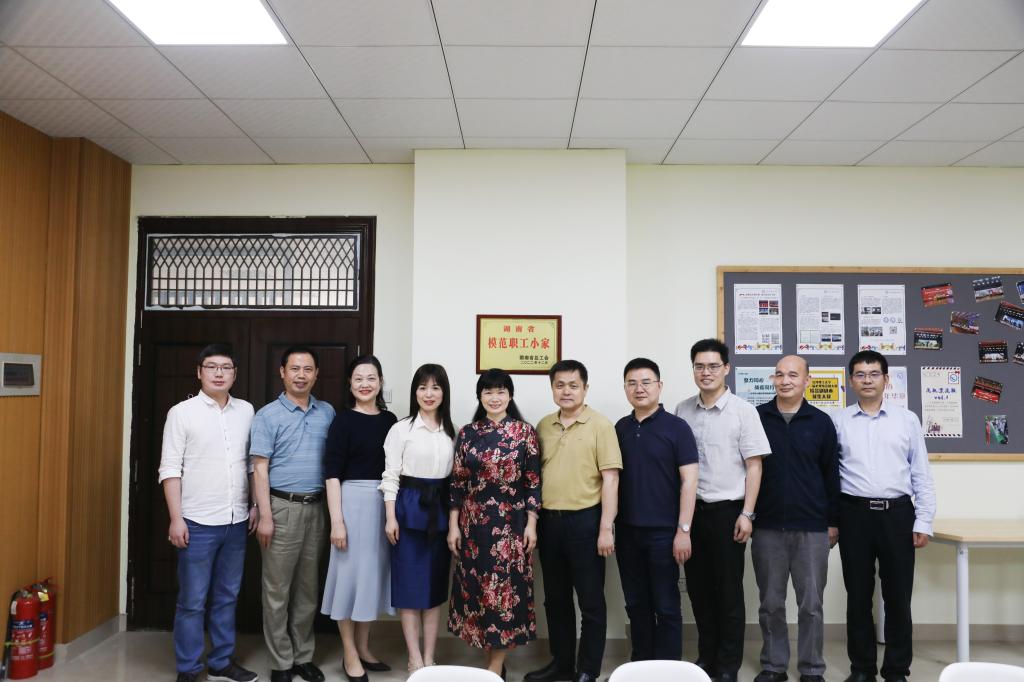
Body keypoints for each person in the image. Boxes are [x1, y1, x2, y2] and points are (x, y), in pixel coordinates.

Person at [833, 351, 936, 682]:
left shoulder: (907, 420)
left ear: (886, 380)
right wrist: (831, 520)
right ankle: (862, 669)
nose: (867, 380)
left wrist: (924, 520)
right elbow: (829, 475)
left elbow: (921, 474)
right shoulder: (838, 421)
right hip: (854, 515)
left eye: (874, 374)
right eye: (860, 374)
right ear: (851, 380)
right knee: (858, 597)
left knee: (898, 598)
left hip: (898, 515)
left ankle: (896, 670)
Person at [159, 344, 258, 682]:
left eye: (226, 367)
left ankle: (221, 662)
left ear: (235, 373)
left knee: (227, 597)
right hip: (196, 522)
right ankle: (188, 668)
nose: (219, 373)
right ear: (199, 371)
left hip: (236, 520)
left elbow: (251, 464)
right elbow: (170, 469)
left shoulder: (246, 411)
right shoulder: (182, 413)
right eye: (212, 367)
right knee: (192, 601)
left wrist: (255, 505)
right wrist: (176, 518)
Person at [674, 338, 769, 682]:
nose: (706, 372)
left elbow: (754, 466)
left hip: (728, 512)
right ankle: (707, 657)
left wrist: (748, 513)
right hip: (692, 513)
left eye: (713, 366)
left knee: (728, 592)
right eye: (699, 366)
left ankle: (728, 665)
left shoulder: (744, 411)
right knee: (698, 590)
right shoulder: (682, 410)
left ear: (726, 368)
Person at [527, 360, 622, 682]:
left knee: (591, 601)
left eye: (573, 385)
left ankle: (588, 670)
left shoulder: (601, 425)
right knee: (555, 600)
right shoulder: (543, 425)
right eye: (559, 385)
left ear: (585, 388)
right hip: (549, 523)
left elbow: (610, 479)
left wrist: (606, 528)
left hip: (586, 522)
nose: (566, 391)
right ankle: (562, 663)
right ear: (552, 388)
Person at [448, 368, 542, 679]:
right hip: (473, 527)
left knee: (503, 595)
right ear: (480, 396)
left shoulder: (525, 433)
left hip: (510, 527)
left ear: (510, 395)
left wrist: (531, 524)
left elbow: (532, 482)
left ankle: (494, 667)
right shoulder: (468, 433)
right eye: (488, 391)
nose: (494, 397)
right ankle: (495, 663)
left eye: (501, 391)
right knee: (479, 594)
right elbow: (457, 483)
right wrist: (453, 526)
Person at [752, 355, 840, 682]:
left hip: (812, 528)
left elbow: (832, 475)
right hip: (767, 526)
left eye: (792, 375)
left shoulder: (821, 422)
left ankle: (812, 668)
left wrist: (833, 522)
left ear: (807, 381)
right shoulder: (757, 417)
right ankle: (774, 666)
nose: (785, 380)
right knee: (770, 603)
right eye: (779, 375)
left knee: (811, 605)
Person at [251, 347, 336, 682]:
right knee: (276, 591)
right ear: (282, 372)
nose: (301, 375)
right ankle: (281, 662)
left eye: (308, 369)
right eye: (295, 368)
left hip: (317, 509)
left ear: (316, 374)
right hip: (280, 509)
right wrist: (265, 515)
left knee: (308, 590)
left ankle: (303, 656)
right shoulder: (267, 415)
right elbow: (259, 468)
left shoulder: (326, 412)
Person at [614, 357, 699, 663]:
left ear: (659, 386)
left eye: (646, 382)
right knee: (636, 604)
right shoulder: (620, 428)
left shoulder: (677, 428)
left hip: (664, 533)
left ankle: (668, 668)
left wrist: (683, 531)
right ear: (625, 388)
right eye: (632, 383)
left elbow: (690, 481)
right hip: (627, 532)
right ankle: (641, 665)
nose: (639, 388)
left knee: (666, 605)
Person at [320, 355, 398, 682]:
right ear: (350, 384)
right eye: (358, 378)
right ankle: (349, 653)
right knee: (348, 579)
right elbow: (332, 474)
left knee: (371, 578)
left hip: (383, 503)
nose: (365, 384)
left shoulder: (390, 420)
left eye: (371, 378)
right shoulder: (342, 421)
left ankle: (364, 648)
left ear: (380, 382)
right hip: (351, 504)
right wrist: (337, 521)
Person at [380, 363, 456, 674]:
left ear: (444, 393)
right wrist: (390, 517)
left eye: (435, 387)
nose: (429, 393)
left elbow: (455, 481)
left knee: (435, 588)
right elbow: (390, 476)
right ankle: (414, 658)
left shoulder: (452, 432)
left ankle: (430, 656)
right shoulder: (401, 430)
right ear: (415, 392)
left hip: (440, 512)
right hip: (408, 510)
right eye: (423, 387)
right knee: (409, 587)